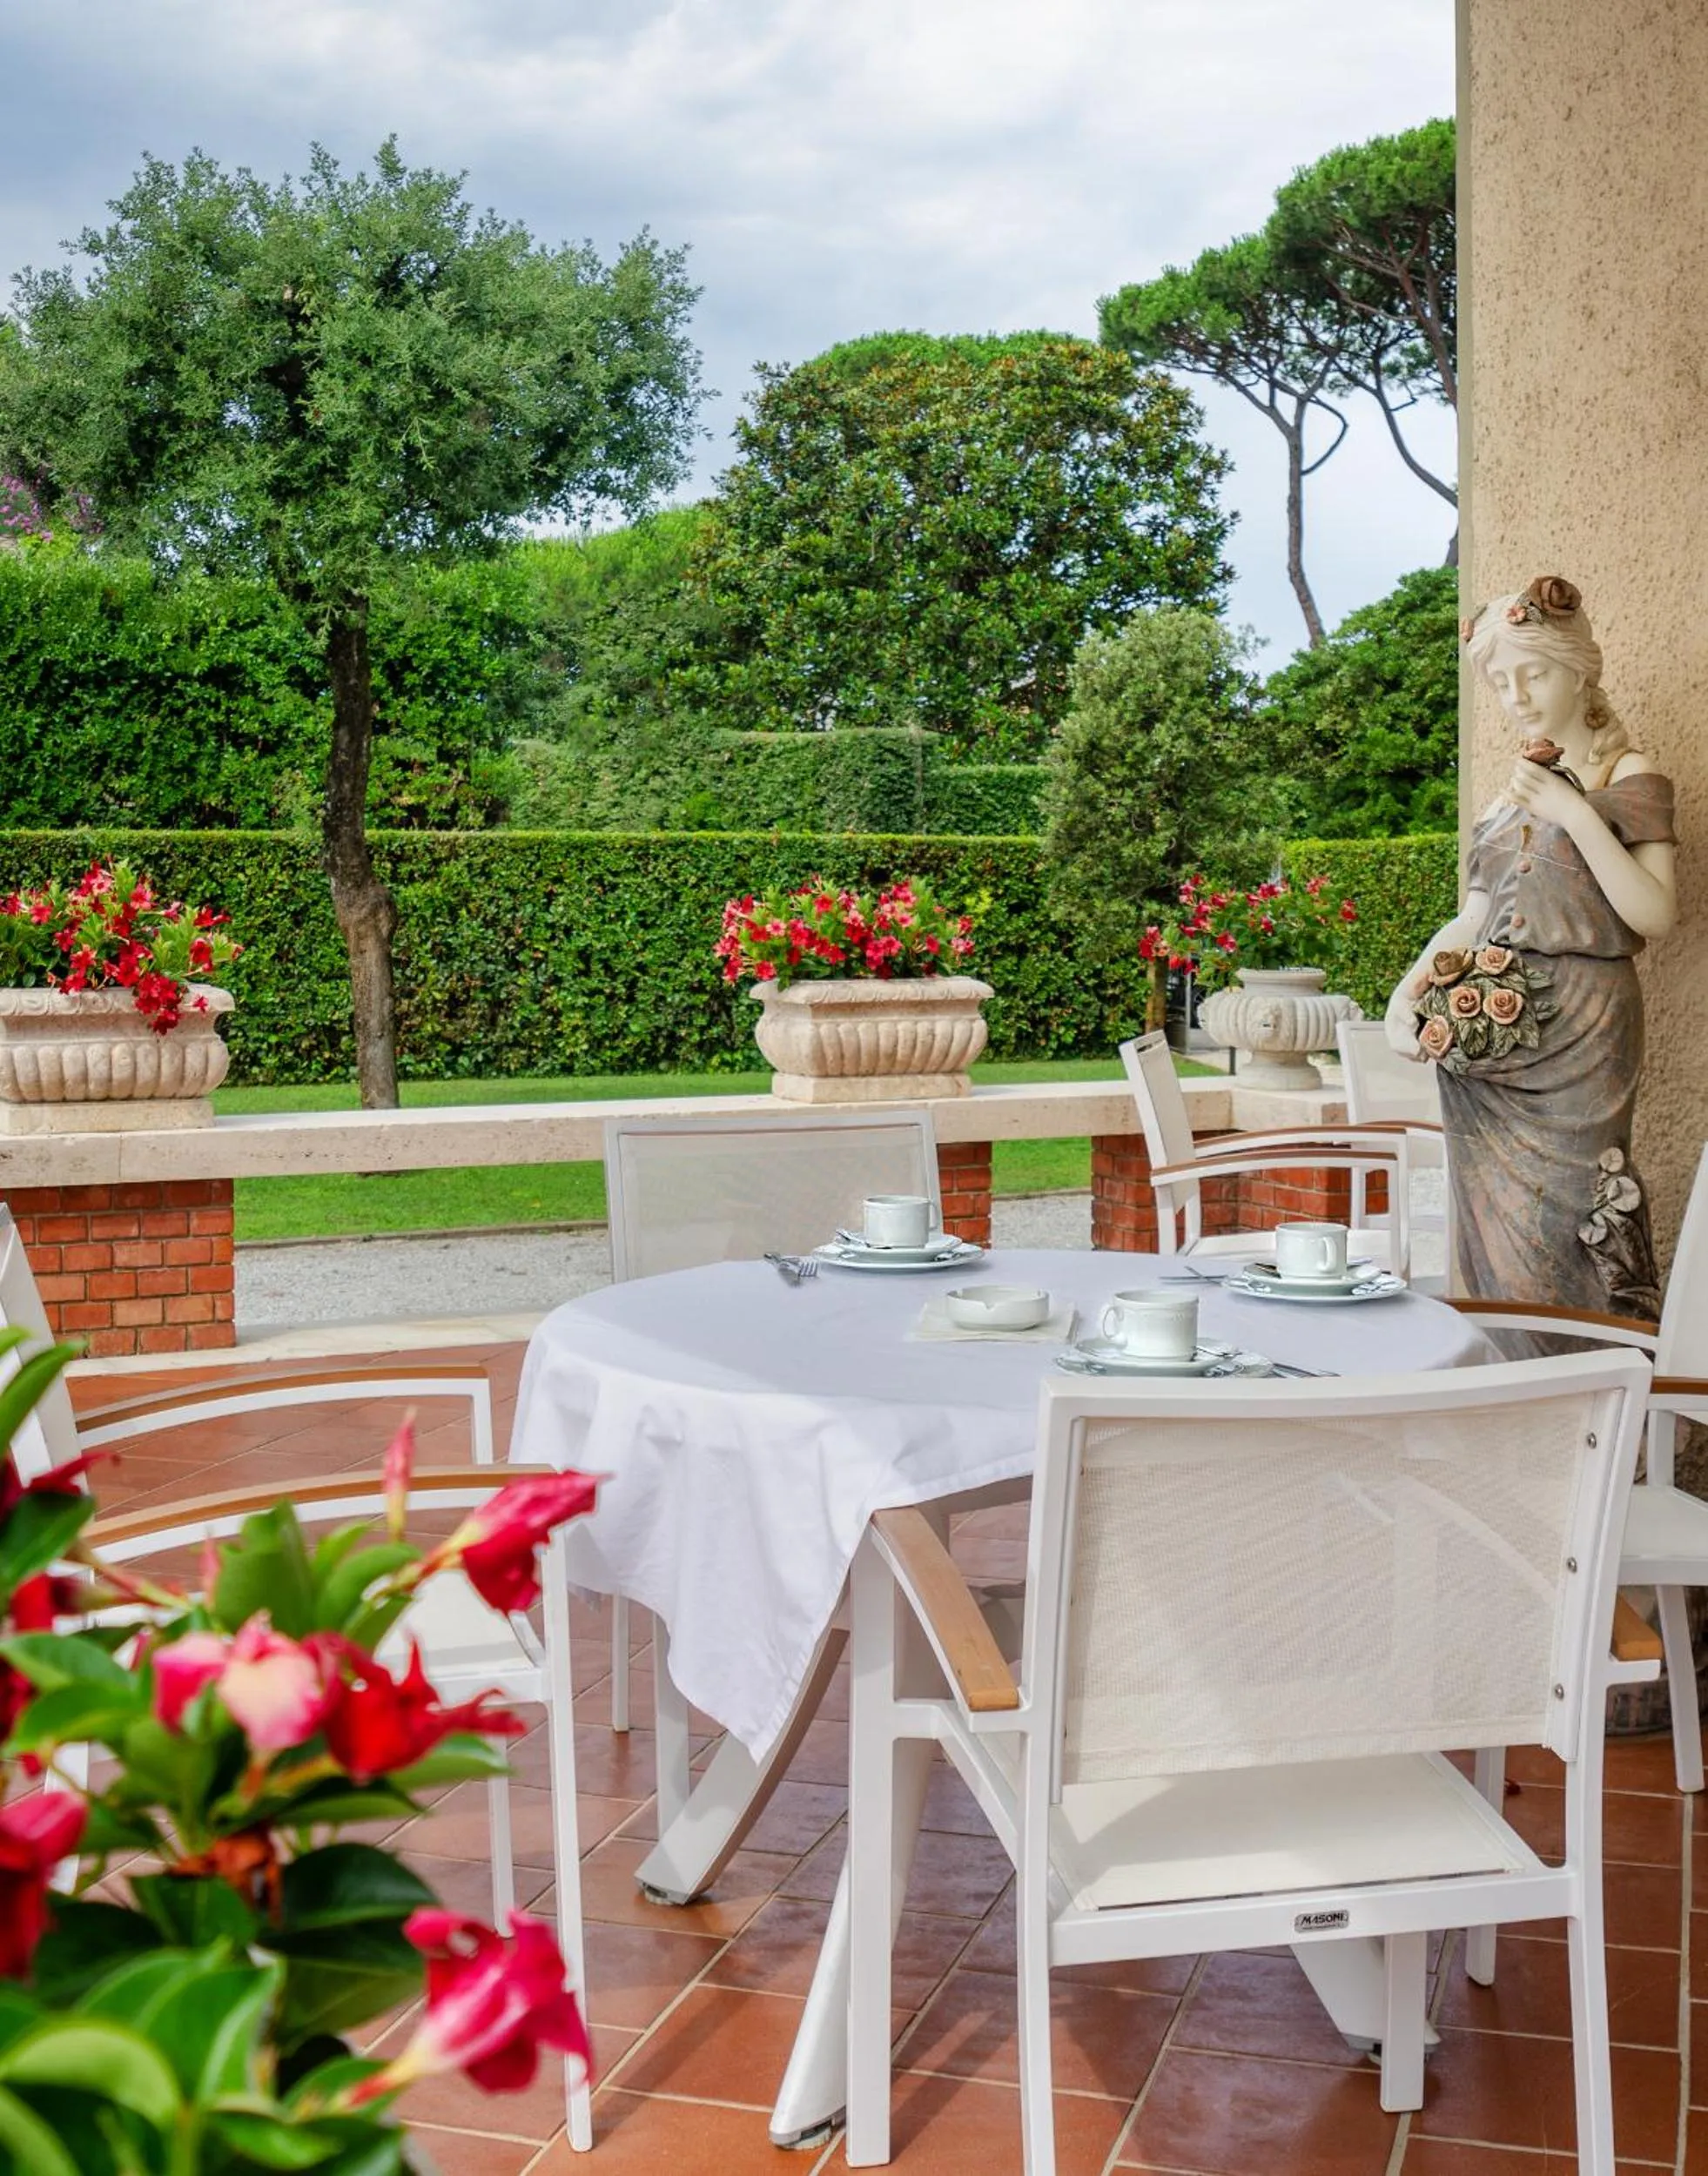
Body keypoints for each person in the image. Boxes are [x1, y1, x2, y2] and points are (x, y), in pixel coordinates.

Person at [1384, 575, 1677, 1314]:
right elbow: (1474, 917)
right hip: (1499, 1045)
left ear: (1581, 671)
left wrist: (1573, 812)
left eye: (1534, 673)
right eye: (1501, 681)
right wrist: (1408, 988)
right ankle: (1511, 1387)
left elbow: (1654, 914)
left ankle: (1595, 1395)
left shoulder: (1626, 773)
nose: (1517, 695)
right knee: (1495, 1233)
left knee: (1578, 1215)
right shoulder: (1504, 796)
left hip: (1586, 1028)